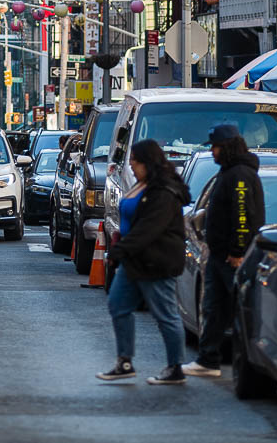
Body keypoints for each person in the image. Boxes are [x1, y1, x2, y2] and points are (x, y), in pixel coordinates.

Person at [99, 138, 190, 386]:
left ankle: (175, 367)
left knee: (165, 315)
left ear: (148, 162)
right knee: (118, 305)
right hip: (134, 260)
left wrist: (119, 251)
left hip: (155, 260)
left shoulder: (164, 192)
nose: (131, 167)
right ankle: (124, 361)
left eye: (134, 162)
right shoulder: (143, 185)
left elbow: (149, 229)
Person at [186, 124, 266, 377]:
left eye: (216, 146)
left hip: (232, 258)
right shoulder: (229, 172)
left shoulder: (240, 174)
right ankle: (208, 359)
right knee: (213, 308)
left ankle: (247, 366)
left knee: (238, 312)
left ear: (227, 147)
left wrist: (238, 250)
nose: (212, 151)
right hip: (219, 255)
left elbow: (243, 215)